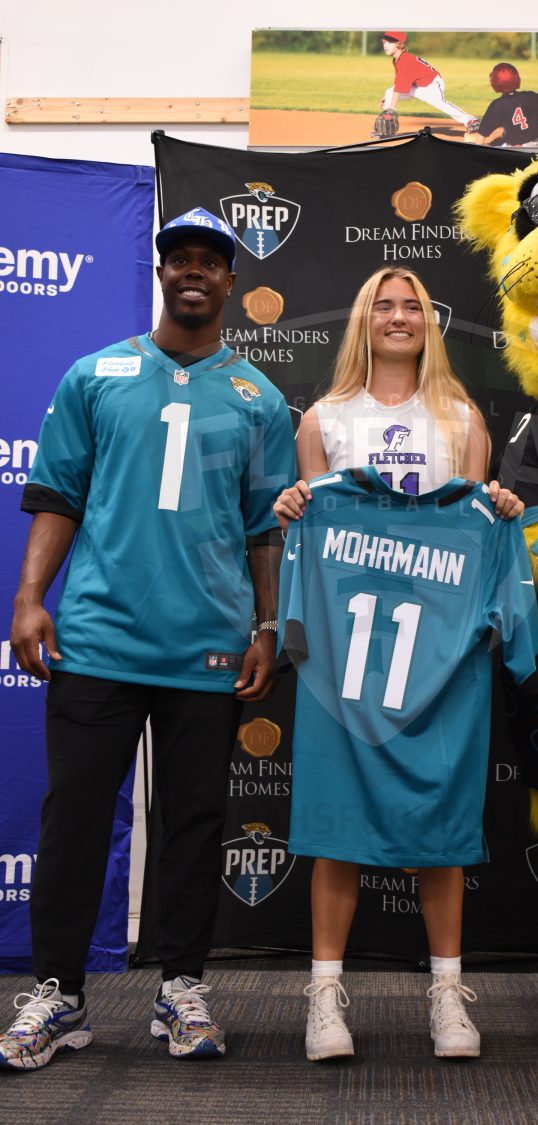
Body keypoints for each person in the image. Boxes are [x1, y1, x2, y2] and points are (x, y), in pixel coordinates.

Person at [0, 208, 295, 1070]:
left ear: (230, 281)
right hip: (96, 637)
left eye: (211, 260)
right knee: (76, 821)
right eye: (180, 259)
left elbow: (264, 530)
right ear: (161, 274)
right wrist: (28, 597)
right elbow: (56, 495)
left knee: (196, 824)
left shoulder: (260, 399)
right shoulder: (96, 375)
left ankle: (182, 988)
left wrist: (266, 626)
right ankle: (58, 992)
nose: (194, 271)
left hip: (206, 646)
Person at [274, 266, 529, 1063]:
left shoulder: (459, 417)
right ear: (362, 320)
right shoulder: (323, 418)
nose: (397, 316)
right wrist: (292, 508)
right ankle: (324, 997)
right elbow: (307, 534)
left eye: (410, 306)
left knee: (443, 819)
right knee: (336, 822)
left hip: (439, 645)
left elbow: (480, 524)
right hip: (347, 653)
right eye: (382, 306)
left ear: (429, 323)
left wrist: (503, 512)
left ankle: (447, 995)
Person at [378, 32, 479, 135]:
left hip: (432, 84)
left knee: (440, 103)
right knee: (389, 93)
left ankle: (470, 120)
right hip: (418, 85)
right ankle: (387, 129)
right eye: (384, 42)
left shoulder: (405, 60)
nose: (385, 45)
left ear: (399, 44)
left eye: (389, 42)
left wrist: (390, 109)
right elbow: (398, 81)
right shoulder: (397, 59)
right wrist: (388, 98)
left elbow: (400, 87)